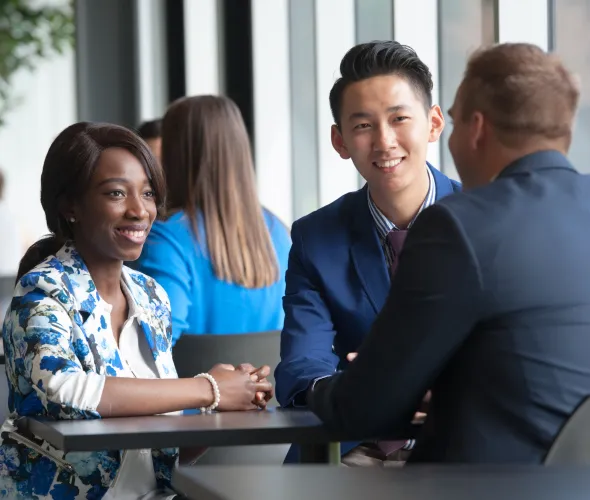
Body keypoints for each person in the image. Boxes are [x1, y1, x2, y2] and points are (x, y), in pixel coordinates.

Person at [308, 43, 590, 464]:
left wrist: (331, 387)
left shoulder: (460, 224)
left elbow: (361, 407)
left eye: (454, 122)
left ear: (476, 129)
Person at [0, 122, 273, 499]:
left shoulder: (150, 295)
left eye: (147, 193)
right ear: (70, 206)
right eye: (116, 193)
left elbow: (158, 453)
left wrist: (225, 405)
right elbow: (62, 391)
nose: (139, 210)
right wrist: (206, 389)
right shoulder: (42, 289)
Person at [274, 41, 460, 463]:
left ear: (433, 123)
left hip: (460, 445)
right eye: (363, 126)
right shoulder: (316, 237)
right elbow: (301, 368)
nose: (384, 141)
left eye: (399, 119)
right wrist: (351, 389)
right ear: (340, 141)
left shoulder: (484, 219)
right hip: (356, 444)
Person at [133, 96, 291, 344]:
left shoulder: (165, 237)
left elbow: (155, 344)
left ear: (175, 154)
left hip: (195, 382)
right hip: (270, 382)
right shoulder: (279, 232)